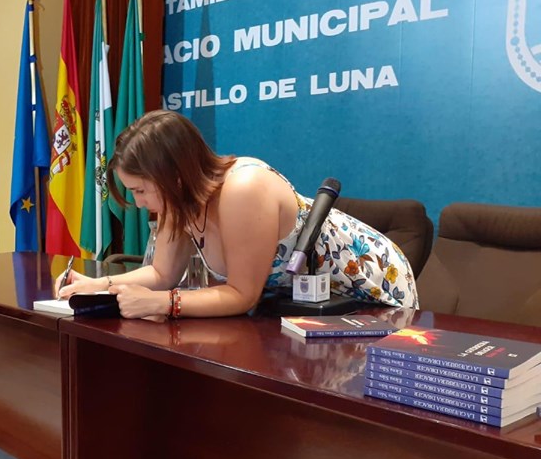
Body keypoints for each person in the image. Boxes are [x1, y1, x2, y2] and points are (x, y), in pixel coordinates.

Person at [58, 109, 418, 317]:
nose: (137, 203)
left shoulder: (243, 189)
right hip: (310, 308)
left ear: (175, 177)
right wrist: (99, 287)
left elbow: (242, 295)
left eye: (140, 190)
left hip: (369, 289)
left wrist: (161, 304)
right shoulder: (177, 199)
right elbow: (162, 272)